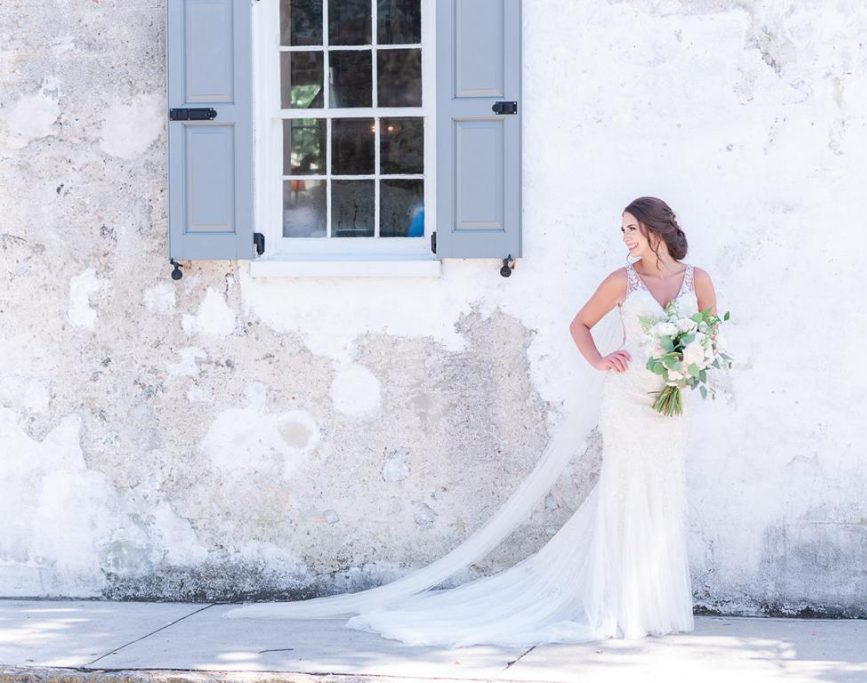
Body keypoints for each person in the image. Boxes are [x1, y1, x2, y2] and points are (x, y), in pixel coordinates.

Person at [225, 195, 718, 647]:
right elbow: (580, 324)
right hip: (628, 399)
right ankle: (625, 605)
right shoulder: (621, 280)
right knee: (626, 489)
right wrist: (599, 361)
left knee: (664, 487)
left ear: (656, 229)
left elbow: (709, 336)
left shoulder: (697, 280)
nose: (626, 238)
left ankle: (658, 601)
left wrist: (690, 363)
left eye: (632, 229)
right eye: (623, 230)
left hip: (670, 400)